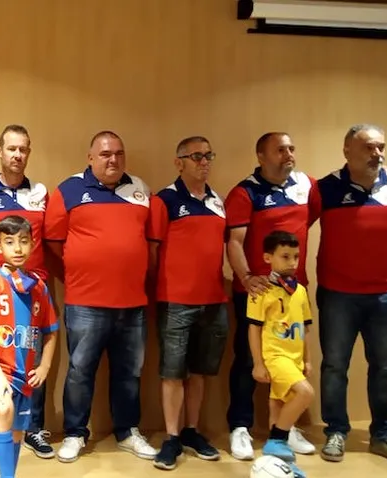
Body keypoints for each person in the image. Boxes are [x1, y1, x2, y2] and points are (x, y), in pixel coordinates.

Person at [44, 131, 157, 463]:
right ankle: (75, 433)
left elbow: (150, 242)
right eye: (106, 154)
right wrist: (79, 271)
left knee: (129, 373)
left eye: (119, 153)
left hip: (132, 303)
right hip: (85, 302)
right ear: (90, 158)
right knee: (80, 371)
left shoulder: (141, 190)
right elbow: (53, 242)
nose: (113, 160)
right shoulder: (69, 190)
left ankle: (128, 432)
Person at [309, 124, 387, 465]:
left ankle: (384, 434)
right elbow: (293, 228)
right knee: (335, 366)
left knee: (384, 367)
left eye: (381, 147)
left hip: (384, 296)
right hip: (338, 296)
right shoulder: (324, 188)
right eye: (369, 147)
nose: (377, 154)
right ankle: (336, 430)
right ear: (347, 150)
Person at [223, 132, 315, 460]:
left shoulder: (307, 185)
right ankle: (240, 427)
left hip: (293, 292)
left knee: (291, 359)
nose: (288, 154)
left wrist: (386, 173)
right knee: (250, 361)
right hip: (257, 292)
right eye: (280, 150)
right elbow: (234, 241)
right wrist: (247, 277)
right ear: (261, 156)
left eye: (291, 148)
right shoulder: (245, 192)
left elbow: (344, 183)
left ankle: (284, 428)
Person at [0, 124, 55, 460]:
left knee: (31, 355)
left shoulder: (41, 194)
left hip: (33, 289)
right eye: (11, 148)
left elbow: (50, 240)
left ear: (28, 153)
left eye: (23, 149)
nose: (17, 155)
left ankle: (33, 427)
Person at [147, 137, 227, 470]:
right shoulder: (164, 200)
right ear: (179, 162)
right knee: (172, 373)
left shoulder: (217, 201)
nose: (204, 162)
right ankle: (171, 438)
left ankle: (192, 430)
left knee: (199, 372)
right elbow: (152, 253)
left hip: (214, 301)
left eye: (208, 155)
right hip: (176, 301)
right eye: (196, 156)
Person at [0, 215, 60, 478]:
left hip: (24, 370)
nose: (18, 248)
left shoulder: (39, 288)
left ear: (33, 244)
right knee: (3, 408)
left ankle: (10, 472)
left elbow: (51, 332)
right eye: (10, 242)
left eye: (23, 241)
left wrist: (44, 366)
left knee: (18, 430)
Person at [247, 230, 314, 478]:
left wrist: (307, 359)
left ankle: (279, 464)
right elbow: (254, 329)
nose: (292, 262)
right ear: (268, 258)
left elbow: (305, 328)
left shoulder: (301, 291)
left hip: (295, 358)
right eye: (285, 256)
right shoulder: (261, 291)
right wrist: (258, 363)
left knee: (277, 405)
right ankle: (277, 440)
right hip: (275, 357)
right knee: (305, 393)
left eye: (296, 256)